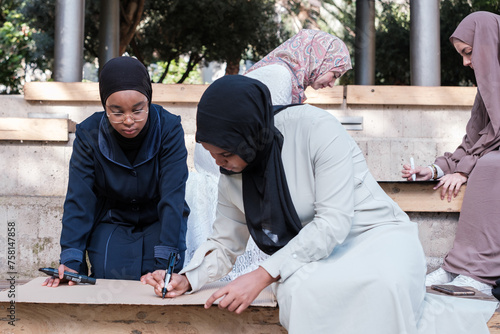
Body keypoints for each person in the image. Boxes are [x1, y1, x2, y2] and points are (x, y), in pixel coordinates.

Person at [143, 75, 426, 333]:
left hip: (374, 237)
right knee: (300, 291)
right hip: (313, 256)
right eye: (211, 153)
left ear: (249, 137)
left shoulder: (316, 130)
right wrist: (188, 279)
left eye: (225, 153)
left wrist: (262, 275)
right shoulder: (232, 172)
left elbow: (332, 224)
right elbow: (224, 242)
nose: (219, 163)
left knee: (384, 286)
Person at [186, 29, 352, 279]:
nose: (332, 83)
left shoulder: (292, 83)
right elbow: (262, 138)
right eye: (335, 73)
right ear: (318, 58)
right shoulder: (279, 77)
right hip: (238, 170)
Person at [43, 57, 190, 287]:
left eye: (138, 110)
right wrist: (71, 260)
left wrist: (165, 262)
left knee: (158, 281)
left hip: (160, 219)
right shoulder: (88, 134)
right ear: (104, 106)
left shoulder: (169, 129)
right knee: (108, 281)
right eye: (117, 112)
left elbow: (173, 197)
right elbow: (79, 199)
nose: (129, 120)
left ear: (149, 102)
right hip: (112, 220)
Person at [402, 11, 500, 297]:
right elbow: (473, 138)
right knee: (488, 162)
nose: (466, 61)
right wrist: (436, 169)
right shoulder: (487, 87)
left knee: (491, 165)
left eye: (468, 52)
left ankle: (479, 273)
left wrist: (465, 169)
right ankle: (458, 266)